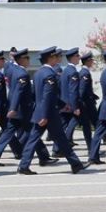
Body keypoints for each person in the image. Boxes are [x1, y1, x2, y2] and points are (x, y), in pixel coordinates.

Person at [18, 47, 85, 175]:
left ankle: (23, 165)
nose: (57, 59)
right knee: (60, 139)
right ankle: (76, 164)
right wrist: (44, 115)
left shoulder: (38, 73)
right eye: (55, 57)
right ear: (50, 58)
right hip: (48, 114)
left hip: (43, 111)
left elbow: (42, 94)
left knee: (37, 139)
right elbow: (47, 96)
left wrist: (62, 105)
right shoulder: (49, 74)